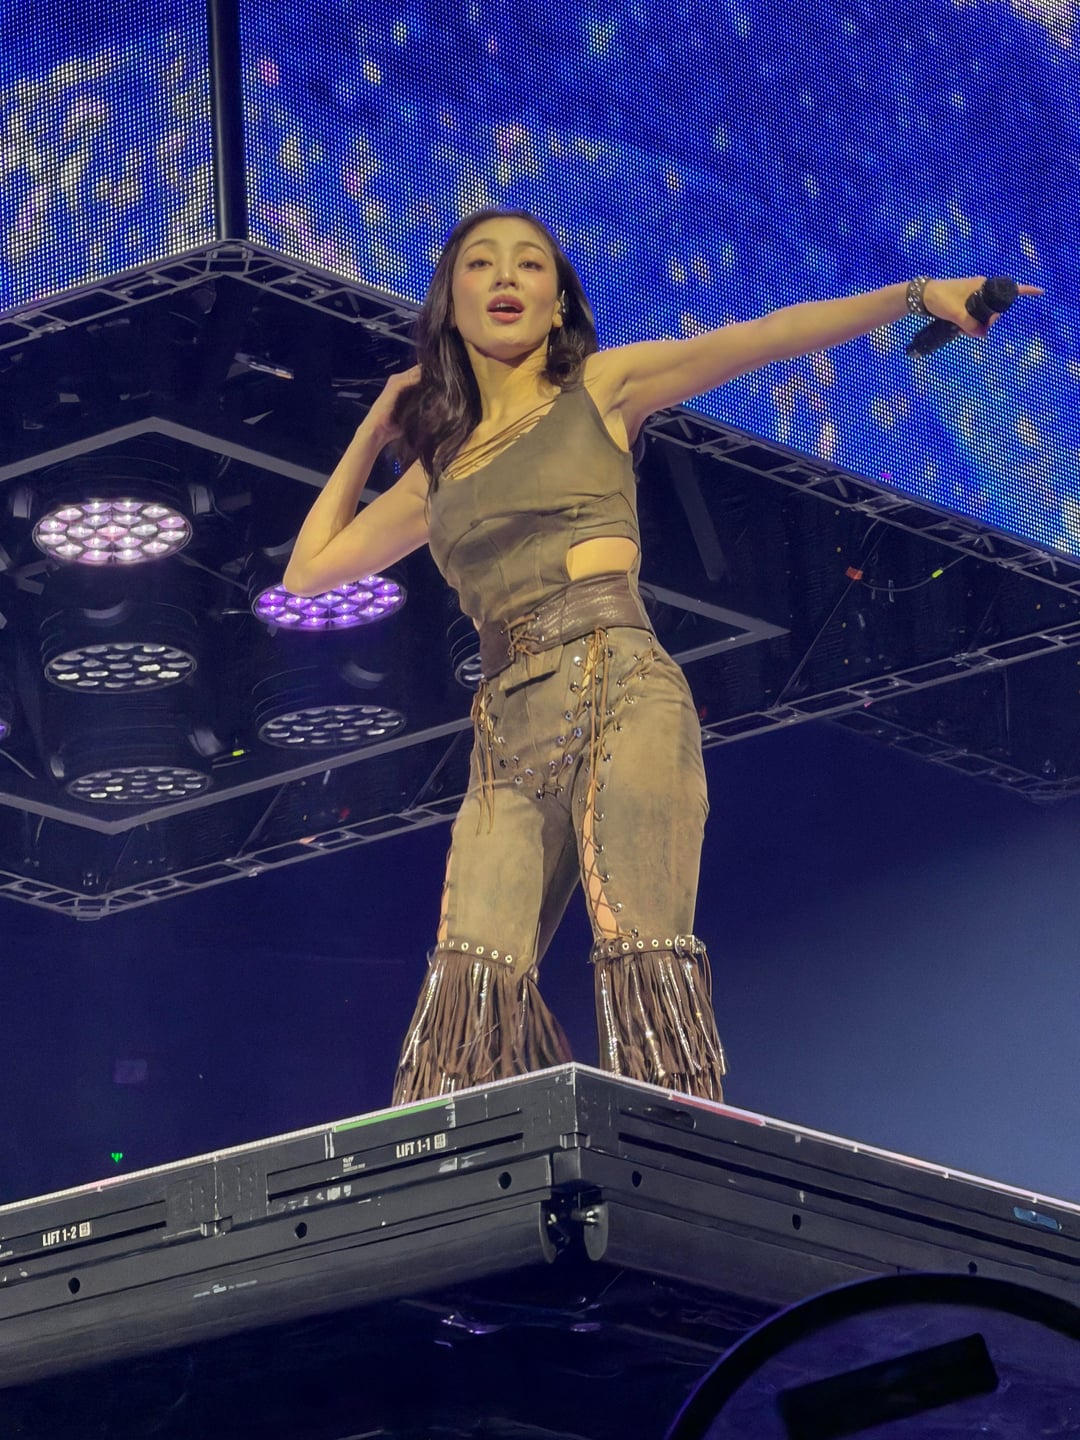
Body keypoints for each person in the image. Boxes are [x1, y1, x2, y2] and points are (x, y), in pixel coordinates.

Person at [284, 209, 1041, 1106]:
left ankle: (674, 1153)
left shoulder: (602, 386)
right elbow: (309, 571)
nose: (507, 278)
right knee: (469, 984)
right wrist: (379, 423)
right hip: (507, 736)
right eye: (481, 264)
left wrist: (915, 295)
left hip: (618, 684)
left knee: (641, 955)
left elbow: (765, 336)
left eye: (530, 264)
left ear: (560, 303)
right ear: (450, 303)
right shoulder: (441, 469)